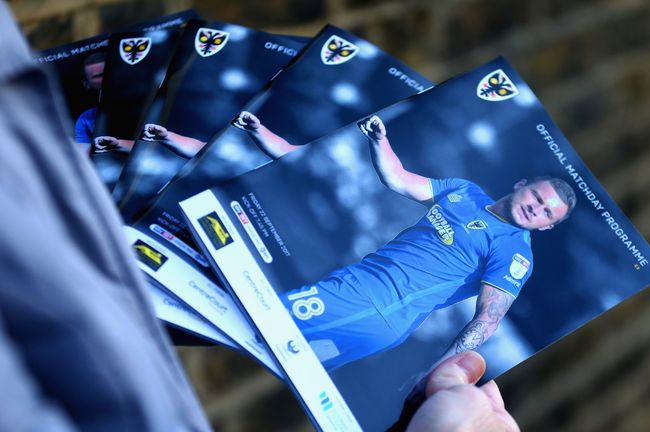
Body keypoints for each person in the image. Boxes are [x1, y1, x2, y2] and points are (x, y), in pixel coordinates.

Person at [1, 5, 520, 430]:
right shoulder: (453, 190)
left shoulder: (500, 253)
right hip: (340, 289)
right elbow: (370, 172)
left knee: (259, 331)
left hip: (362, 307)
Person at [234, 112, 577, 371]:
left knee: (248, 318)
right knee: (268, 360)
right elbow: (397, 178)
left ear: (548, 228)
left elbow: (488, 319)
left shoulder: (514, 252)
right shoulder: (465, 192)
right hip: (365, 295)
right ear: (521, 185)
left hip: (373, 304)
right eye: (537, 196)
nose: (537, 209)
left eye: (548, 213)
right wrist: (379, 140)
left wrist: (436, 374)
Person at [73, 51, 105, 152]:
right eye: (97, 76)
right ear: (86, 84)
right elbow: (84, 154)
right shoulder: (84, 119)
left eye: (107, 73)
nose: (105, 78)